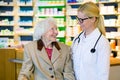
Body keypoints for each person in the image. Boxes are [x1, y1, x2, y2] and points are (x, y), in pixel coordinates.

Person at [71, 2, 111, 80]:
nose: (79, 22)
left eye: (82, 20)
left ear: (93, 19)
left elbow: (103, 74)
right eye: (78, 19)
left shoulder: (102, 42)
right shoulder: (77, 39)